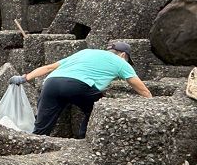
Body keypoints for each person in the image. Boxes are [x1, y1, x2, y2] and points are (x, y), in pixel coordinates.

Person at [9, 41, 152, 138]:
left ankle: (29, 153)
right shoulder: (121, 62)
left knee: (40, 129)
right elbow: (141, 88)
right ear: (123, 55)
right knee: (100, 109)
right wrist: (153, 104)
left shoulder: (85, 53)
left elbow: (49, 67)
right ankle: (83, 140)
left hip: (51, 83)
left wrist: (24, 78)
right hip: (78, 85)